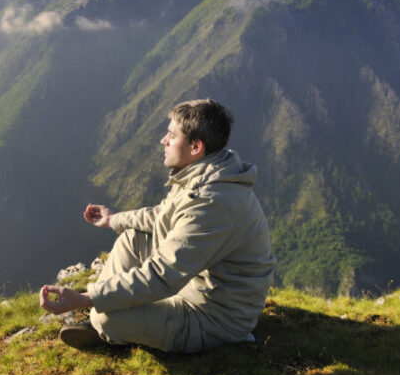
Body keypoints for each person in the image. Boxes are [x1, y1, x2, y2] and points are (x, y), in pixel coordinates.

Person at [39, 99, 276, 352]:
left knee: (106, 318)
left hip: (213, 316)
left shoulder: (212, 203)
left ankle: (104, 322)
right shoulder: (204, 172)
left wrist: (87, 298)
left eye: (172, 136)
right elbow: (162, 215)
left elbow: (163, 274)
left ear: (196, 146)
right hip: (196, 285)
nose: (163, 140)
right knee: (133, 238)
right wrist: (113, 220)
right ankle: (108, 314)